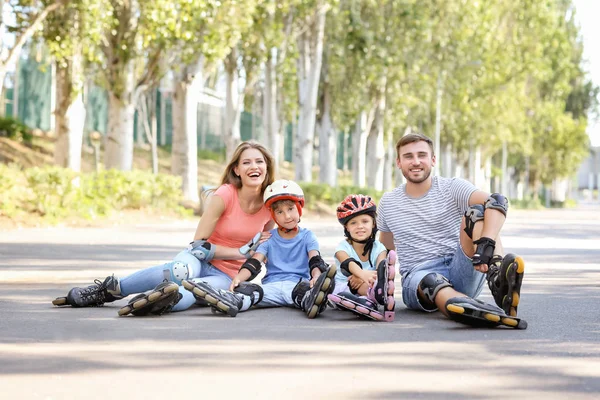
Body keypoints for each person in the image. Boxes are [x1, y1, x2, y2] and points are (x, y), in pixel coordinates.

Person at [52, 140, 276, 316]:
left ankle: (157, 303)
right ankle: (109, 290)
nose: (254, 166)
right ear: (237, 170)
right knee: (179, 271)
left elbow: (263, 250)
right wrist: (239, 252)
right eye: (247, 162)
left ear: (267, 168)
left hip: (228, 275)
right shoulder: (225, 195)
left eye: (259, 161)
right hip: (200, 259)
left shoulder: (271, 205)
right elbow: (198, 246)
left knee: (193, 290)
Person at [377, 132, 527, 329]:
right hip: (419, 277)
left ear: (433, 160)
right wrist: (371, 282)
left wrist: (486, 242)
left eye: (421, 155)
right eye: (408, 156)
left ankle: (497, 276)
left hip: (463, 267)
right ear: (398, 162)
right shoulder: (388, 203)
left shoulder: (452, 188)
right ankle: (464, 307)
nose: (415, 162)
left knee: (479, 212)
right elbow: (384, 249)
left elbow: (498, 201)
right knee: (432, 280)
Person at [182, 179, 337, 319]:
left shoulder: (307, 236)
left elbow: (315, 259)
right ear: (273, 216)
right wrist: (239, 278)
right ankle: (230, 301)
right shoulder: (268, 238)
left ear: (299, 209)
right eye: (280, 212)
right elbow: (254, 263)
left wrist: (316, 277)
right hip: (271, 288)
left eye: (290, 209)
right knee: (251, 292)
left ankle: (313, 300)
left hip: (297, 285)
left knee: (304, 292)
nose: (287, 216)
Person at [326, 194, 397, 322]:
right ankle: (371, 298)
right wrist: (361, 275)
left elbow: (380, 269)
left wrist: (371, 279)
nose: (360, 226)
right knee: (344, 290)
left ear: (374, 223)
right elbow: (348, 263)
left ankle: (369, 301)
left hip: (369, 285)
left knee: (377, 280)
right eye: (353, 223)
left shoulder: (379, 247)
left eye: (365, 221)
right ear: (346, 227)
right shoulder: (343, 247)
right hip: (344, 286)